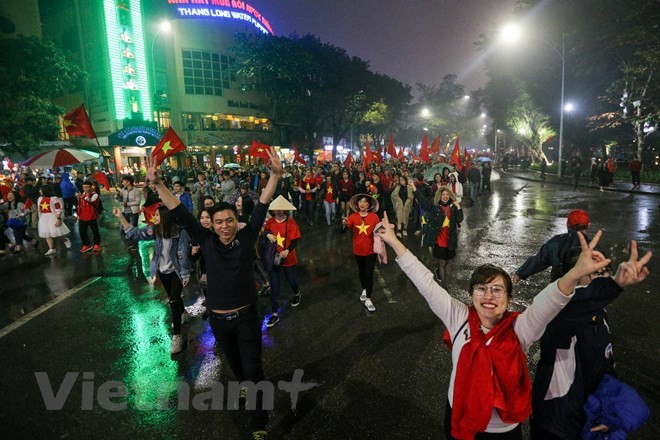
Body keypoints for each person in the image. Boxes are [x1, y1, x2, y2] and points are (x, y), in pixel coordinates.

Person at [375, 210, 613, 439]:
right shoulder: (459, 317)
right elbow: (425, 282)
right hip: (459, 417)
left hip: (502, 431)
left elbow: (549, 301)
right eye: (481, 289)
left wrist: (574, 275)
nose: (488, 296)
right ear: (471, 294)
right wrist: (394, 241)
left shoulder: (520, 328)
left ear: (508, 299)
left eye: (497, 290)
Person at [145, 149, 281, 439]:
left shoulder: (246, 236)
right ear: (212, 224)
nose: (224, 226)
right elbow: (179, 211)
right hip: (219, 322)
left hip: (246, 318)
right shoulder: (205, 240)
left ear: (236, 220)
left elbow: (263, 204)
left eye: (229, 220)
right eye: (218, 222)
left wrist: (275, 175)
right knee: (236, 366)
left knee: (254, 369)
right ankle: (243, 384)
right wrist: (158, 184)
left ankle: (259, 423)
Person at [530, 241, 652, 439]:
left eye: (605, 271)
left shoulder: (600, 314)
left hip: (588, 418)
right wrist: (614, 285)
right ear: (572, 276)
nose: (603, 277)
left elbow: (604, 363)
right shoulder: (556, 313)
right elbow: (576, 307)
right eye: (594, 272)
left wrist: (608, 409)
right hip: (556, 424)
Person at [113, 205, 192, 354]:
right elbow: (135, 234)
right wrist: (121, 217)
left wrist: (185, 273)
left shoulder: (180, 232)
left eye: (157, 215)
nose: (153, 217)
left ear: (165, 217)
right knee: (173, 297)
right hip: (162, 271)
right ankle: (183, 313)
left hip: (177, 271)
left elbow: (183, 253)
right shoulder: (155, 230)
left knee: (173, 300)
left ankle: (177, 336)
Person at [512, 209, 590, 283]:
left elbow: (539, 260)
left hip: (559, 285)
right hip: (585, 287)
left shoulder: (556, 241)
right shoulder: (592, 245)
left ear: (567, 225)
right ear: (587, 225)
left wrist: (520, 273)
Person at [263, 196, 301, 327]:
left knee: (291, 280)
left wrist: (287, 250)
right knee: (274, 287)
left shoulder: (291, 223)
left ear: (284, 210)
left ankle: (297, 293)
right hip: (273, 258)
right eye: (276, 209)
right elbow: (265, 234)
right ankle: (274, 314)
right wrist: (267, 234)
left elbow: (295, 241)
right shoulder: (270, 222)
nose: (278, 212)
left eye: (280, 209)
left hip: (288, 257)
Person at [414, 185, 463, 289]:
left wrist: (458, 206)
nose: (445, 196)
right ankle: (444, 287)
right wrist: (414, 188)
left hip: (449, 239)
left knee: (447, 261)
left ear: (450, 196)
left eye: (447, 194)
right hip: (439, 239)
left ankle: (438, 271)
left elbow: (459, 219)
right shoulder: (435, 207)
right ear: (439, 196)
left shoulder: (453, 208)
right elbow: (423, 202)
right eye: (443, 194)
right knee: (442, 262)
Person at [341, 194, 381, 312]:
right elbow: (343, 231)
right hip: (358, 250)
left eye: (365, 202)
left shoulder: (374, 217)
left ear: (369, 205)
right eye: (360, 202)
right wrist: (343, 225)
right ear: (357, 204)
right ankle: (364, 288)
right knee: (362, 272)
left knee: (369, 274)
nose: (362, 204)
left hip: (371, 250)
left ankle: (368, 298)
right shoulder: (353, 217)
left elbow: (379, 231)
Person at [37, 185, 72, 256]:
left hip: (52, 217)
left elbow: (58, 209)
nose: (40, 191)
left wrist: (58, 219)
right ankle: (51, 248)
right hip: (44, 218)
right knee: (47, 234)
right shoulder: (40, 199)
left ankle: (65, 240)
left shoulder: (54, 199)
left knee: (57, 233)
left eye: (41, 190)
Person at [116, 175, 141, 251]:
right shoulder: (123, 190)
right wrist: (117, 195)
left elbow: (137, 201)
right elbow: (117, 200)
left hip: (133, 212)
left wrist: (127, 204)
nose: (122, 183)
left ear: (128, 182)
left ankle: (135, 245)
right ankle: (129, 243)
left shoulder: (136, 191)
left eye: (123, 181)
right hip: (124, 212)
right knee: (122, 230)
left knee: (133, 229)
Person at [76, 180, 102, 253]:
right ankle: (87, 244)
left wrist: (83, 197)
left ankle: (96, 244)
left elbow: (92, 201)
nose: (85, 189)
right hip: (82, 216)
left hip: (91, 216)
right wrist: (78, 214)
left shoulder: (95, 195)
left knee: (95, 231)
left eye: (87, 187)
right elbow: (79, 205)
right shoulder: (82, 194)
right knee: (82, 231)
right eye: (84, 187)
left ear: (91, 187)